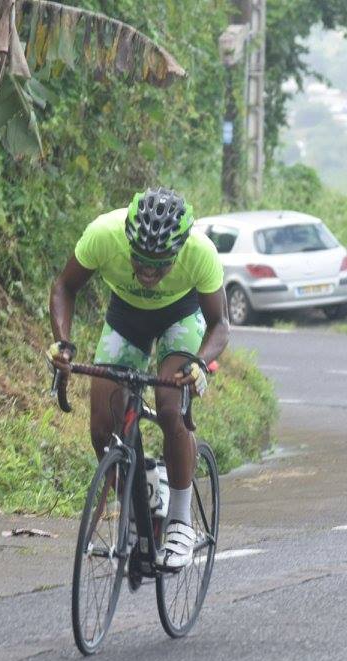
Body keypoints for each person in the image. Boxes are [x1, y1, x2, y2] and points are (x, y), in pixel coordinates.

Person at [48, 187, 230, 570]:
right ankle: (138, 506)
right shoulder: (104, 234)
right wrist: (63, 343)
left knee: (168, 408)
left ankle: (180, 522)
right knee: (101, 428)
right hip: (126, 316)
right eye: (140, 261)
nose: (147, 273)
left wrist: (199, 362)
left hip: (180, 316)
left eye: (159, 264)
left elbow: (220, 325)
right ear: (128, 240)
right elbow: (65, 286)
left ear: (179, 251)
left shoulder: (200, 252)